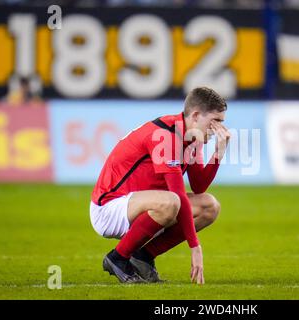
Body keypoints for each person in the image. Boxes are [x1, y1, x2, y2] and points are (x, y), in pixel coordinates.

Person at [90, 87, 231, 284]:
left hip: (144, 206)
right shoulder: (166, 135)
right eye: (215, 122)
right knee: (172, 201)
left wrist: (218, 152)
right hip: (110, 208)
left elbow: (199, 186)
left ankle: (143, 256)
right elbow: (178, 195)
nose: (219, 129)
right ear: (197, 116)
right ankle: (117, 258)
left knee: (209, 206)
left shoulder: (193, 138)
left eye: (222, 123)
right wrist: (195, 246)